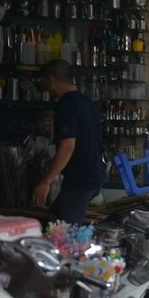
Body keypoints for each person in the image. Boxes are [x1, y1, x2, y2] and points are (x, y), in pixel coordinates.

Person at [32, 59, 105, 224]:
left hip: (81, 179)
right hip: (94, 174)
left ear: (51, 80)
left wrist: (46, 181)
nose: (45, 87)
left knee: (65, 232)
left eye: (44, 81)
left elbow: (67, 146)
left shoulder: (66, 105)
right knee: (52, 223)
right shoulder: (87, 103)